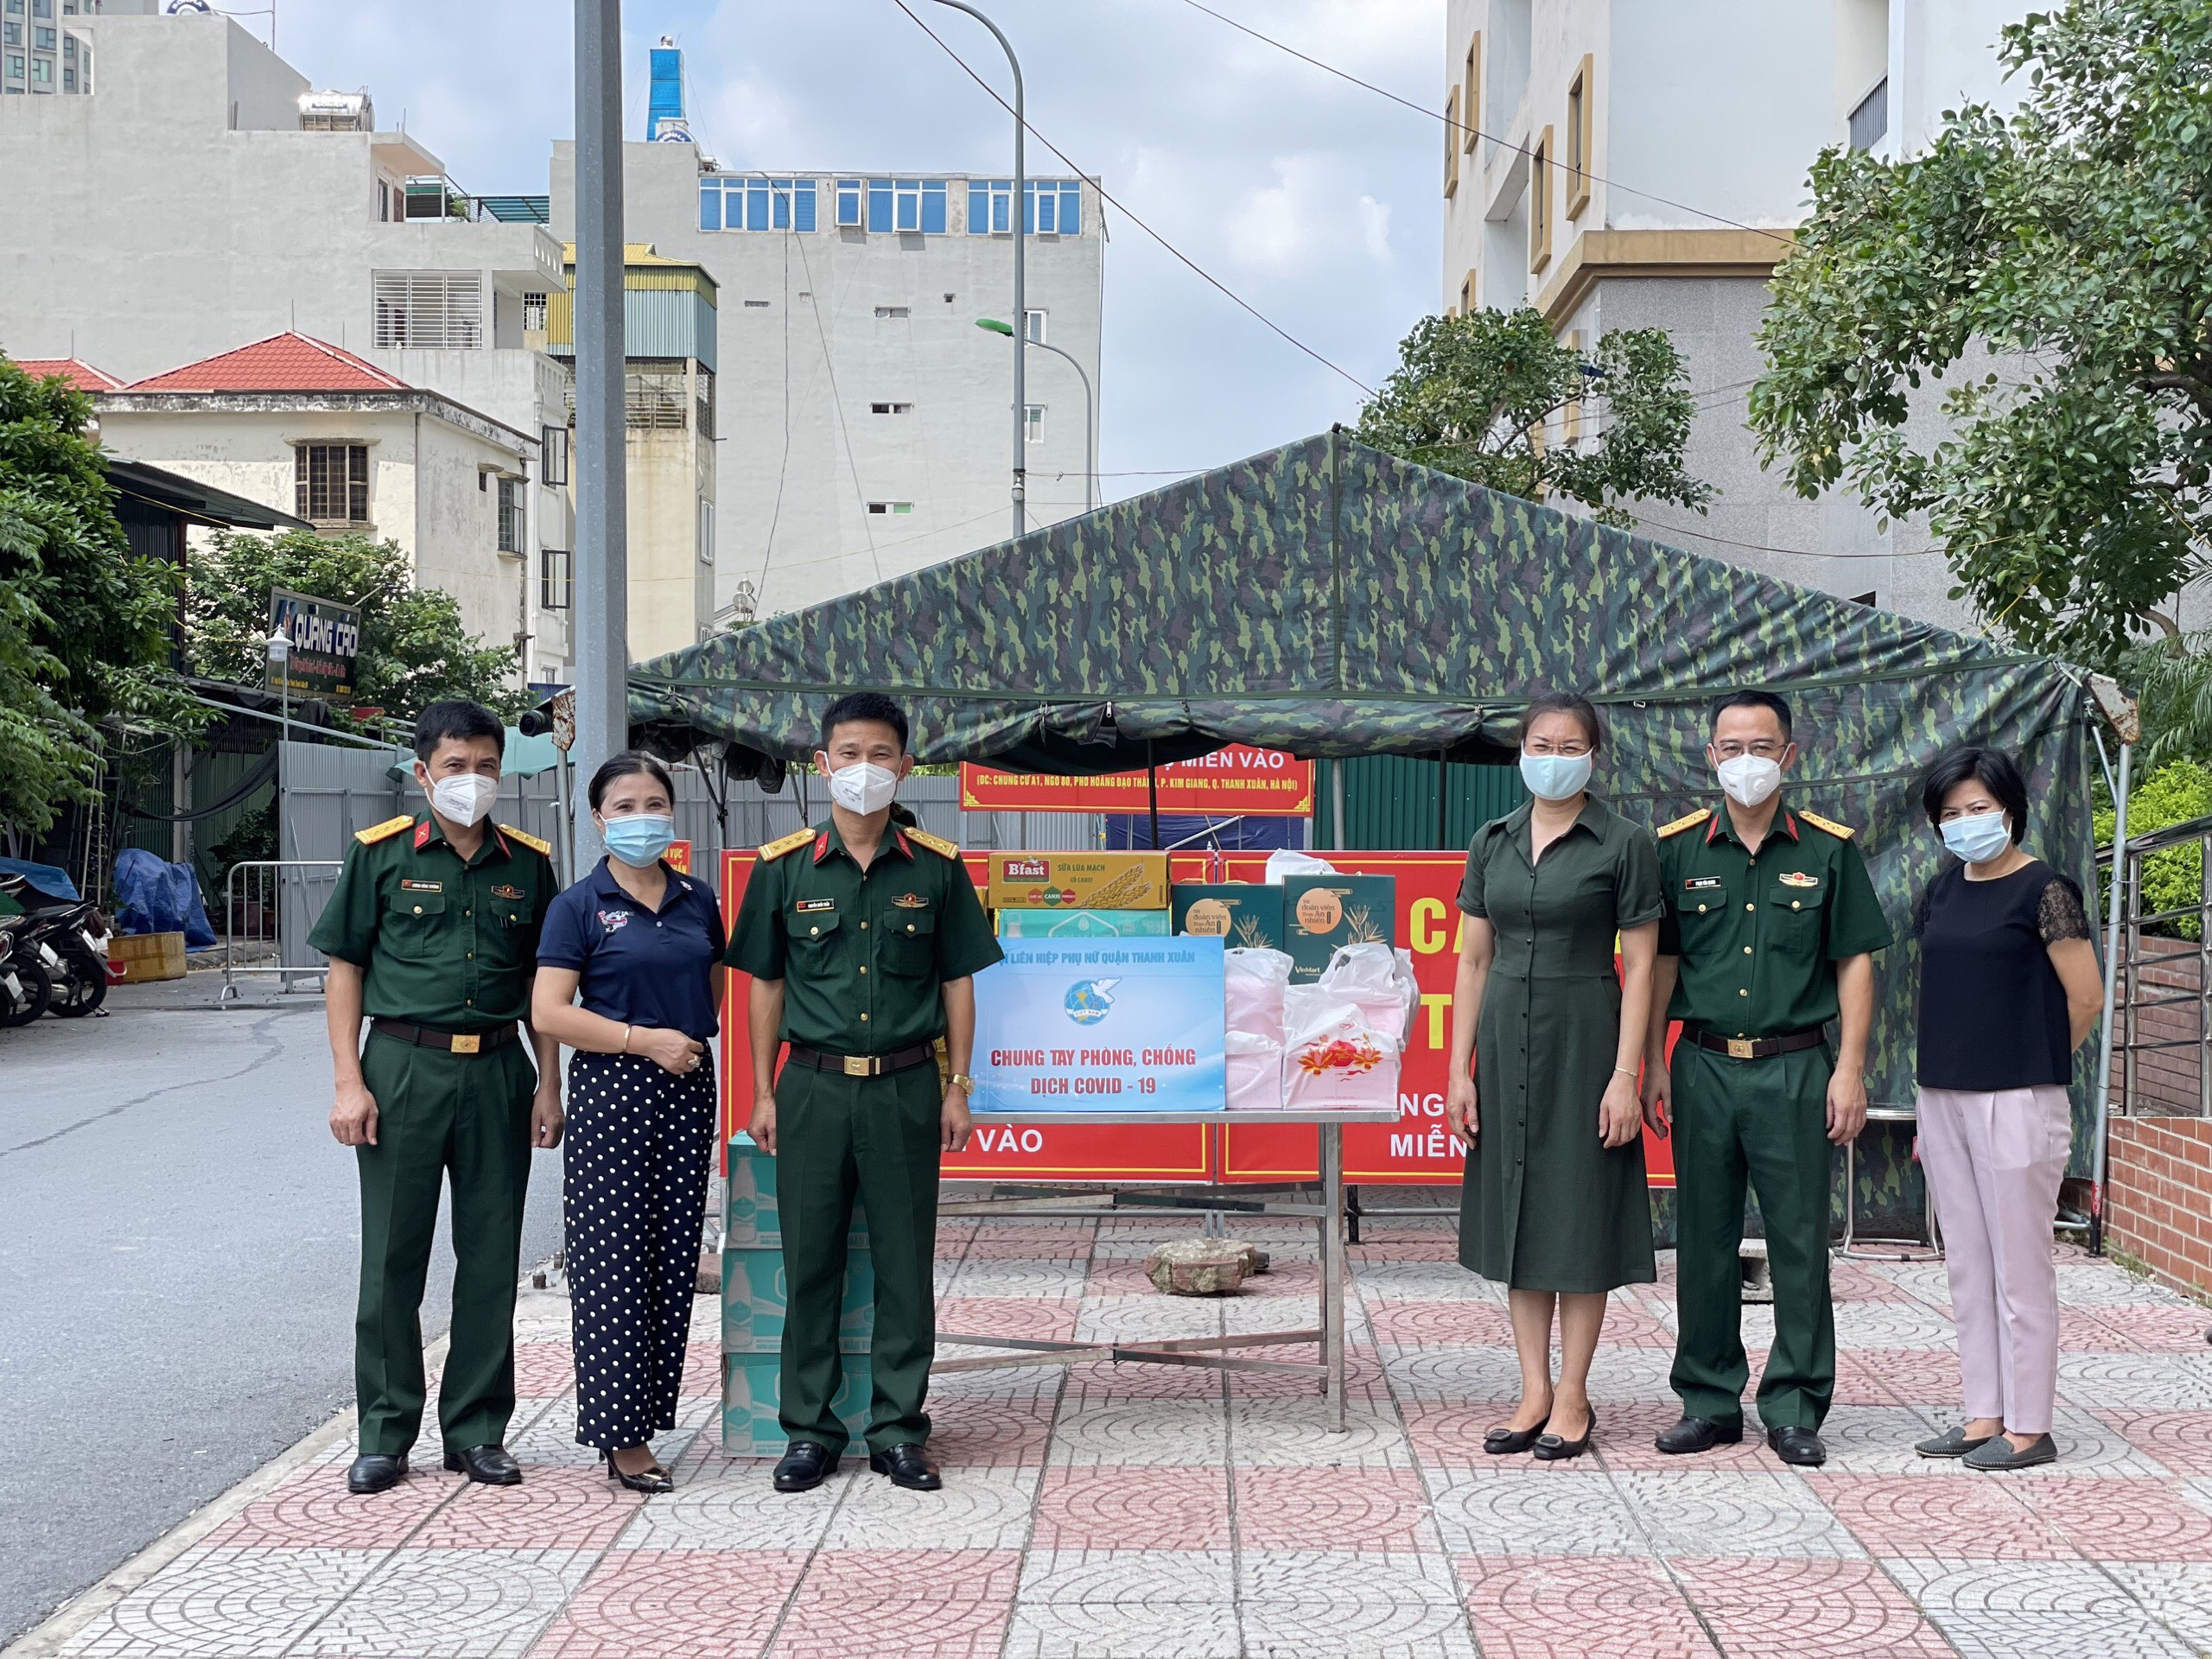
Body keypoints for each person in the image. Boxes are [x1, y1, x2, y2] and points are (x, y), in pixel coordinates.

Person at [726, 693, 1002, 1495]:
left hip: (908, 1087)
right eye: (848, 754)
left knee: (904, 1268)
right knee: (809, 1263)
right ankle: (809, 1433)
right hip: (809, 1088)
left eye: (881, 754)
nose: (864, 770)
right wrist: (762, 1092)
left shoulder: (938, 869)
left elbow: (958, 984)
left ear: (906, 766)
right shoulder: (781, 870)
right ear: (822, 766)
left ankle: (897, 1431)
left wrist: (958, 1085)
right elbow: (764, 988)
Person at [308, 700, 563, 1495]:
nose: (473, 781)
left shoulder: (528, 863)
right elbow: (344, 969)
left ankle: (478, 1430)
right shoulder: (379, 855)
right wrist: (349, 1080)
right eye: (457, 767)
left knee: (491, 1255)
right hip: (401, 1067)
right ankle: (384, 1434)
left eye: (487, 767)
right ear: (424, 774)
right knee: (392, 1256)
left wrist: (547, 1082)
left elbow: (540, 985)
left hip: (496, 1071)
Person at [1640, 690, 1892, 1467]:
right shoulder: (1677, 849)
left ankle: (1795, 1404)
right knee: (1704, 1241)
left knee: (1798, 1242)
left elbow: (1854, 961)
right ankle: (1709, 1400)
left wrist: (1849, 1069)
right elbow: (1660, 964)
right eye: (1730, 747)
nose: (1745, 761)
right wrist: (1650, 1060)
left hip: (1796, 1067)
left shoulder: (1826, 849)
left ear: (1789, 755)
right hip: (1704, 1065)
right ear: (1709, 756)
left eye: (1761, 746)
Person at [1446, 692, 1663, 1461]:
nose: (1554, 757)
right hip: (1505, 1039)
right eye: (1541, 743)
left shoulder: (1625, 842)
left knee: (1578, 1212)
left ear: (1595, 755)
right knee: (1520, 1211)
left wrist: (1625, 1074)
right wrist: (1457, 1071)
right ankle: (1532, 1389)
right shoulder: (1492, 840)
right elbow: (1472, 961)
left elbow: (1640, 968)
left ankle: (1574, 1394)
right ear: (1520, 750)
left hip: (1587, 1034)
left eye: (1571, 746)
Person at [532, 751, 724, 1494]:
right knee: (611, 1262)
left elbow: (706, 987)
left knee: (670, 1260)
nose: (642, 819)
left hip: (686, 1090)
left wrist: (682, 1043)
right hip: (614, 1089)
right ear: (599, 818)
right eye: (626, 806)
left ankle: (650, 1412)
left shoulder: (696, 897)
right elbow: (549, 1010)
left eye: (654, 804)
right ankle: (621, 1438)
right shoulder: (579, 905)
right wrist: (643, 1039)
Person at [1909, 747, 2102, 1472]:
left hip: (2019, 1099)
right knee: (1966, 1263)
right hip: (1944, 1097)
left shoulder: (2045, 890)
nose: (1966, 823)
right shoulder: (1942, 891)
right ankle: (1982, 1414)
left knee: (2021, 1267)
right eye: (1951, 813)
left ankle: (2029, 1424)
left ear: (2011, 809)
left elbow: (2084, 998)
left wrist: (2034, 1063)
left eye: (1979, 808)